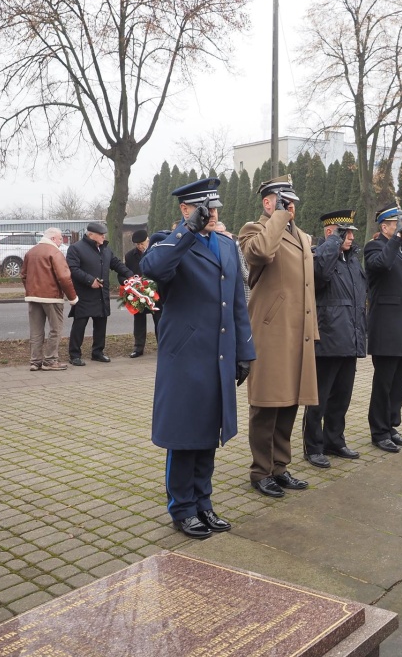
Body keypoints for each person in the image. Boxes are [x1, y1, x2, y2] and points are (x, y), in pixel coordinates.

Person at [141, 178, 255, 539]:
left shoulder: (224, 243)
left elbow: (237, 301)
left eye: (216, 208)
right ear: (186, 209)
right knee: (184, 434)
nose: (213, 214)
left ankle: (203, 503)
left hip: (218, 354)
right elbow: (153, 269)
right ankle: (182, 508)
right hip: (185, 356)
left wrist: (244, 352)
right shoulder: (170, 242)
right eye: (205, 208)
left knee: (209, 433)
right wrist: (186, 231)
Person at [238, 176, 319, 498]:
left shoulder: (301, 236)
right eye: (283, 201)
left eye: (292, 202)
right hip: (271, 331)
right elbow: (258, 255)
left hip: (298, 332)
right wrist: (279, 218)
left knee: (290, 402)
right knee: (267, 404)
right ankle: (261, 471)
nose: (291, 206)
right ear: (267, 203)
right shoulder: (253, 230)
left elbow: (307, 287)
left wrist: (312, 330)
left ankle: (280, 467)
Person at [302, 209, 367, 469]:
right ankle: (313, 446)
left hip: (349, 339)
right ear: (330, 233)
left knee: (342, 396)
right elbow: (317, 276)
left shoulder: (352, 260)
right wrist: (332, 244)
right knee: (318, 398)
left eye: (351, 232)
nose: (350, 237)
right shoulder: (320, 255)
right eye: (344, 232)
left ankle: (334, 440)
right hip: (327, 339)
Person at [364, 201, 402, 453]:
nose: (401, 228)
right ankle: (379, 431)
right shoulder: (374, 247)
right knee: (384, 383)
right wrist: (395, 240)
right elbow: (381, 265)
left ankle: (391, 425)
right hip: (386, 328)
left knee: (400, 382)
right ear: (385, 226)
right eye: (397, 224)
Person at [66, 221, 133, 366]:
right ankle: (74, 354)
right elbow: (73, 269)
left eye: (104, 234)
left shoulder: (105, 249)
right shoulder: (76, 248)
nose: (104, 236)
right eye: (101, 234)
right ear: (90, 235)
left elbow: (116, 264)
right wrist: (90, 281)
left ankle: (97, 352)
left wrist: (130, 275)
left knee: (101, 324)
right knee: (80, 325)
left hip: (102, 294)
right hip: (84, 294)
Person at [21, 227, 79, 371]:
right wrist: (73, 298)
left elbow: (23, 275)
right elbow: (64, 277)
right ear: (53, 238)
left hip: (33, 296)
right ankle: (50, 360)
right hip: (51, 297)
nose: (61, 241)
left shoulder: (31, 252)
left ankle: (35, 361)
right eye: (60, 238)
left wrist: (30, 290)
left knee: (35, 330)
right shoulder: (55, 252)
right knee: (55, 329)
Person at [123, 229, 161, 358]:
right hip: (137, 293)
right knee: (138, 320)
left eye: (142, 243)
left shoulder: (156, 251)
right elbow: (124, 273)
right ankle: (138, 348)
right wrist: (128, 284)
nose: (140, 246)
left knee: (159, 320)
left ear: (148, 240)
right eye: (137, 244)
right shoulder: (129, 256)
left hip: (155, 292)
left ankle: (162, 345)